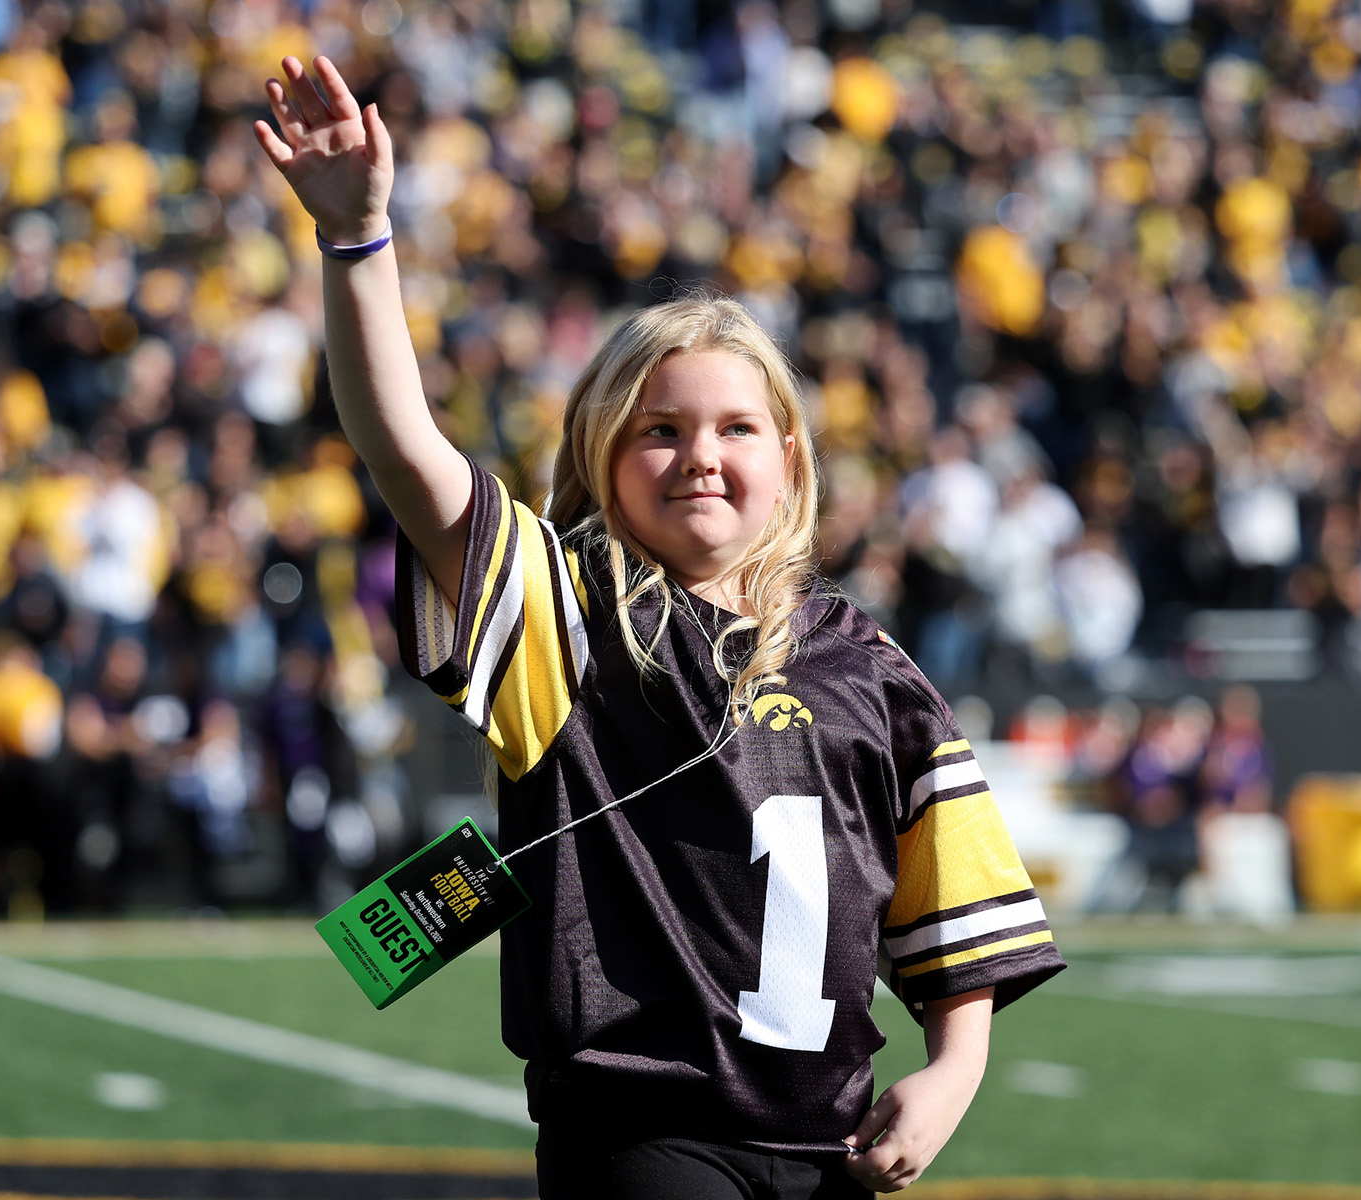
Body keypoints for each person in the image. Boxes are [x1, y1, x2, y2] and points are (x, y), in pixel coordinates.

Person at [256, 55, 1064, 1199]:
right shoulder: (563, 614)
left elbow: (948, 903)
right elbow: (408, 455)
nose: (700, 456)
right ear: (598, 454)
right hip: (637, 1130)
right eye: (659, 430)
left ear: (789, 459)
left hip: (829, 1141)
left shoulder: (867, 662)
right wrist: (358, 243)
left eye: (737, 427)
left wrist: (955, 1069)